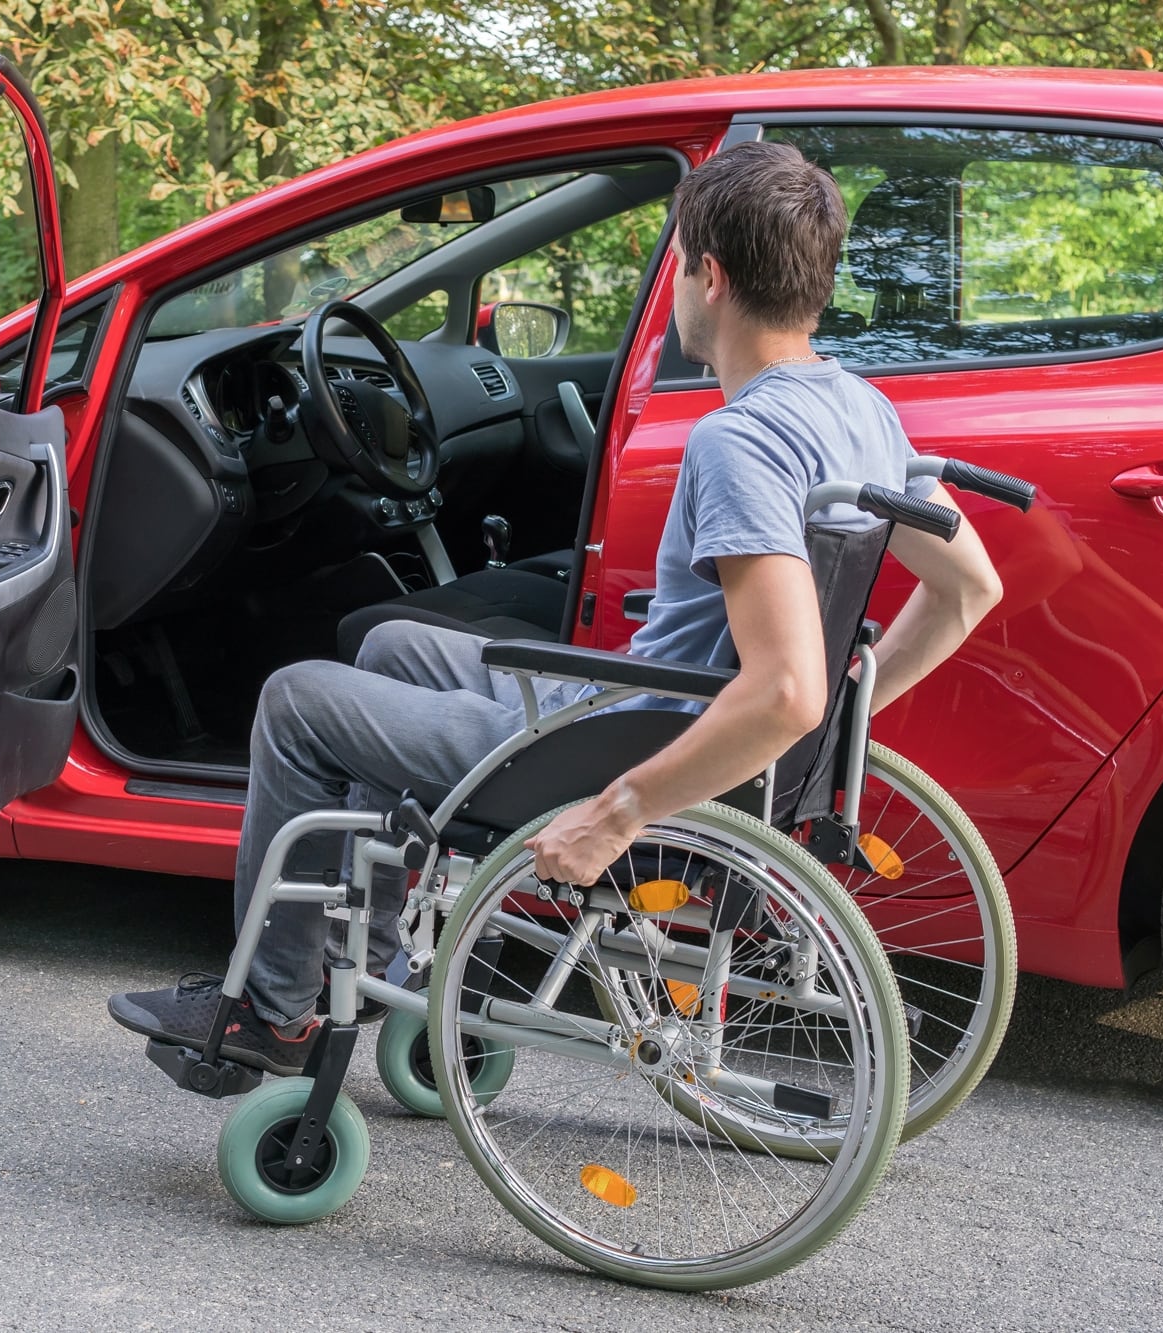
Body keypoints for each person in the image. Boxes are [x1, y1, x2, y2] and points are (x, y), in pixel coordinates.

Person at [107, 141, 1005, 1074]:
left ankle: (274, 1012)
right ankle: (365, 954)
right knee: (393, 645)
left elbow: (785, 691)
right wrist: (837, 729)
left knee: (296, 700)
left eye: (678, 266)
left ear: (710, 277)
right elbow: (968, 589)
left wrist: (618, 812)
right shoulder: (862, 410)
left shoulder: (740, 441)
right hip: (647, 709)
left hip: (625, 746)